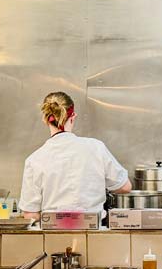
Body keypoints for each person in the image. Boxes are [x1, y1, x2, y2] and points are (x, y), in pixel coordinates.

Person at [19, 91, 131, 219]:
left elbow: (30, 213)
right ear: (73, 116)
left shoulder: (34, 160)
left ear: (45, 119)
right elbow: (125, 187)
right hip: (93, 228)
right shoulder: (96, 147)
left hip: (53, 229)